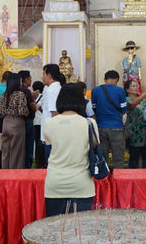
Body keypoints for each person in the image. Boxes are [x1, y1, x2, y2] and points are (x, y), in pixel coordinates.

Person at [43, 83, 98, 217]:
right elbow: (95, 146)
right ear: (81, 101)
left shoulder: (49, 123)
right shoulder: (90, 123)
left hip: (54, 184)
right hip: (82, 185)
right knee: (80, 232)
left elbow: (50, 143)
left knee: (55, 229)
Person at [90, 70, 127, 169]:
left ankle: (104, 180)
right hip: (117, 127)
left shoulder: (95, 90)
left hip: (100, 127)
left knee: (102, 157)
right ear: (116, 80)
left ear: (104, 79)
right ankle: (118, 180)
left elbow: (93, 108)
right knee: (118, 158)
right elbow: (123, 110)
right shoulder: (120, 91)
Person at [0, 74, 29, 169]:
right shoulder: (20, 95)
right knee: (16, 151)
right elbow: (22, 111)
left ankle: (5, 173)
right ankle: (15, 175)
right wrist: (28, 112)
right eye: (20, 81)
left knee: (5, 151)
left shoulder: (4, 95)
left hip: (5, 123)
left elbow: (0, 111)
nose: (21, 83)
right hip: (17, 123)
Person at [124, 80, 146, 168]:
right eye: (133, 86)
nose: (136, 87)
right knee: (134, 159)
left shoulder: (144, 101)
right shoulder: (126, 100)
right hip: (134, 135)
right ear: (127, 90)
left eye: (137, 85)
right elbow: (132, 105)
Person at [39, 64, 63, 160]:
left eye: (44, 74)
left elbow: (55, 113)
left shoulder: (52, 90)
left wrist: (53, 136)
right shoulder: (54, 88)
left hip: (51, 135)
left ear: (50, 75)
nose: (42, 77)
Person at [19, 70, 38, 168]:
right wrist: (35, 100)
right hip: (27, 121)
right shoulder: (26, 90)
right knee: (28, 147)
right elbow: (33, 108)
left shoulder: (16, 89)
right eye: (30, 78)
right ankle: (27, 167)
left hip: (19, 122)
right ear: (26, 79)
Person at [32, 80, 46, 168]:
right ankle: (41, 161)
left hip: (36, 122)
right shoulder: (43, 96)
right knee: (41, 142)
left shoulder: (35, 97)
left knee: (38, 143)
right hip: (41, 122)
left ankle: (39, 162)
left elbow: (37, 107)